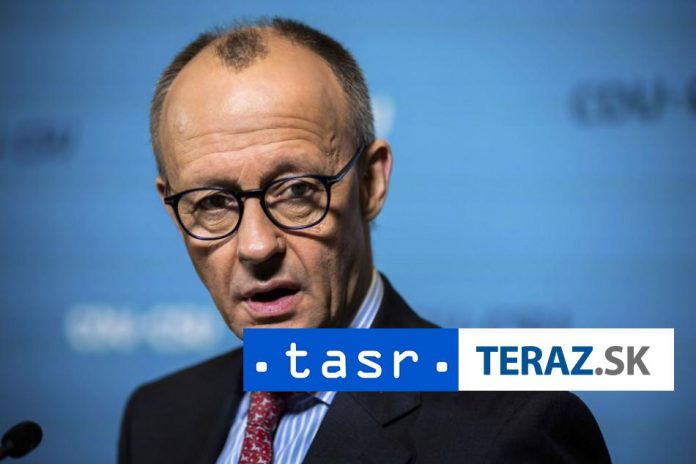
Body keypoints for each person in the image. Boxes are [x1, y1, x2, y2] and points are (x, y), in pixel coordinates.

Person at [118, 17, 611, 464]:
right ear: (173, 210)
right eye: (213, 201)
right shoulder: (155, 419)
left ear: (372, 183)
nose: (256, 246)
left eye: (296, 191)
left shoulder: (515, 432)